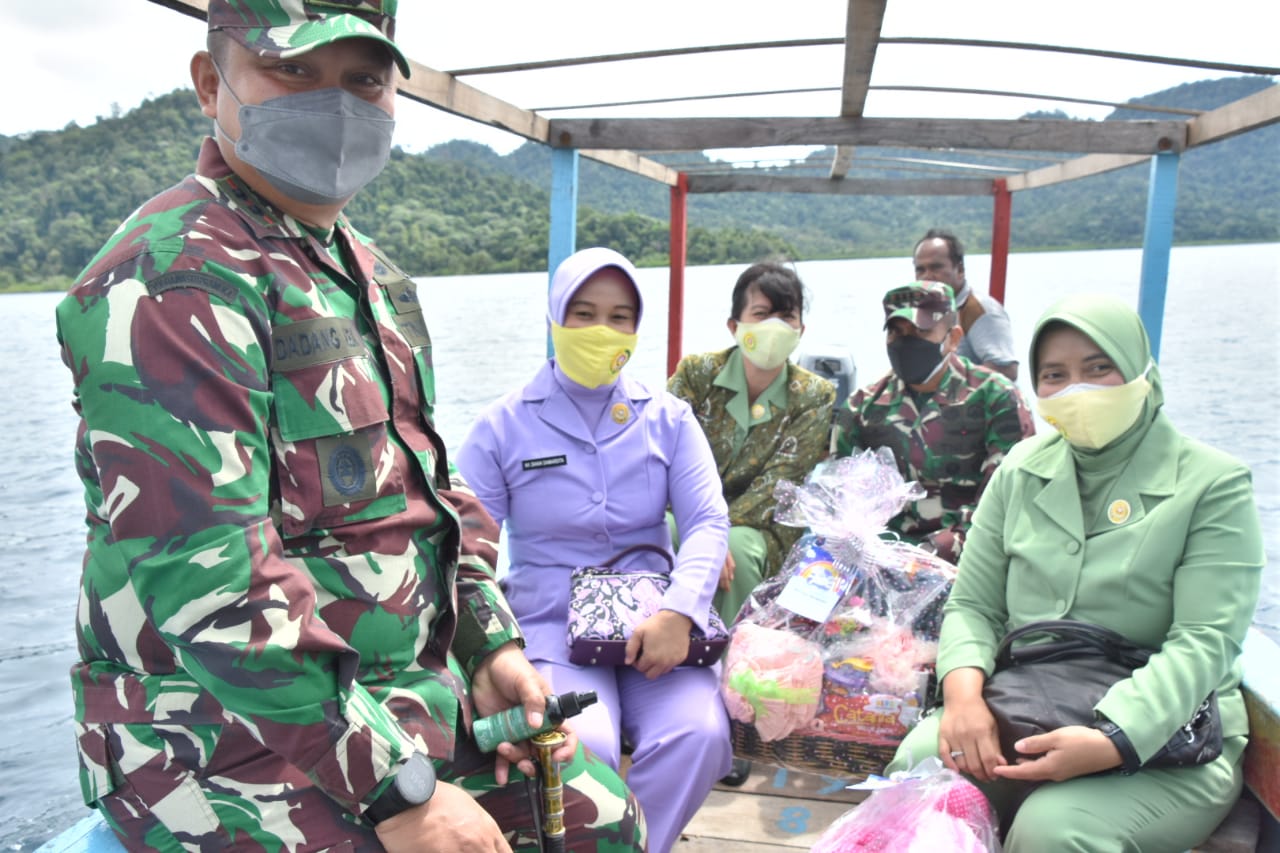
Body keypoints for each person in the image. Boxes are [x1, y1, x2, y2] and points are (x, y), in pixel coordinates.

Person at [54, 3, 644, 851]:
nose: (334, 106)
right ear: (209, 82)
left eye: (364, 81)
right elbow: (212, 582)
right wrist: (398, 794)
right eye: (292, 71)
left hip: (388, 697)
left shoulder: (371, 278)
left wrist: (488, 646)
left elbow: (431, 495)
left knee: (602, 817)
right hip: (207, 736)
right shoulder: (172, 279)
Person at [887, 293, 1264, 851]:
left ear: (1139, 368)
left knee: (1054, 830)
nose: (1076, 391)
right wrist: (963, 700)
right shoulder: (1020, 469)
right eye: (1054, 375)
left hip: (1164, 735)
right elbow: (974, 605)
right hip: (1024, 701)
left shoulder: (1212, 483)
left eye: (1098, 368)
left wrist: (1113, 739)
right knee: (915, 770)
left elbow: (1204, 641)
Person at [456, 247, 734, 853]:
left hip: (655, 627)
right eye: (582, 314)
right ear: (555, 318)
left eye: (618, 316)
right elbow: (464, 549)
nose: (600, 330)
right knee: (586, 745)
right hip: (551, 628)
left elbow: (709, 520)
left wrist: (681, 611)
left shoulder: (670, 419)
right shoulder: (502, 426)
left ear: (636, 328)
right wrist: (486, 650)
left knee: (700, 733)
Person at [667, 261, 835, 626]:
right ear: (735, 326)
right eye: (761, 315)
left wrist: (714, 536)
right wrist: (705, 529)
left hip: (762, 526)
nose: (774, 327)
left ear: (800, 329)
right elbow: (664, 455)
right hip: (686, 510)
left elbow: (777, 484)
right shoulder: (697, 374)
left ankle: (727, 667)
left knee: (738, 551)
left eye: (786, 317)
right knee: (658, 532)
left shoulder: (814, 395)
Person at [833, 281, 1034, 565]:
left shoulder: (995, 397)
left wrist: (932, 553)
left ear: (953, 338)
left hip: (974, 557)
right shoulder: (862, 406)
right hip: (880, 558)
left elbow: (1007, 499)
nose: (906, 341)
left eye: (921, 331)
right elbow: (841, 494)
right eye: (896, 331)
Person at [913, 229, 1019, 381]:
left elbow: (1005, 370)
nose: (927, 276)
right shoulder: (926, 312)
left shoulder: (979, 310)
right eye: (920, 269)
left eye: (936, 267)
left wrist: (951, 388)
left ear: (960, 270)